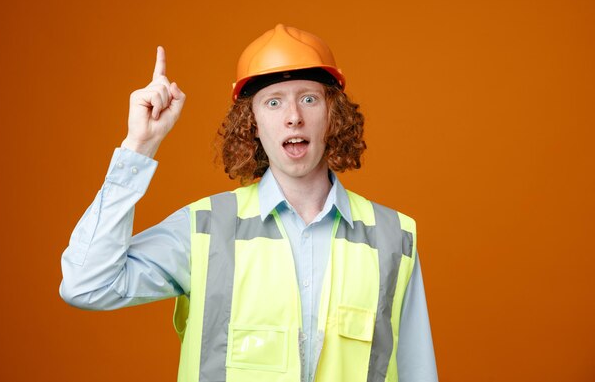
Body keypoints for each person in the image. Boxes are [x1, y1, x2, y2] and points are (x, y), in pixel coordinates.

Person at [60, 24, 438, 382]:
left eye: (309, 99)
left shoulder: (394, 238)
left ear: (332, 115)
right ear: (252, 123)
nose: (293, 117)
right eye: (273, 103)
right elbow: (86, 284)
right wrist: (139, 146)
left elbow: (417, 370)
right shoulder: (205, 229)